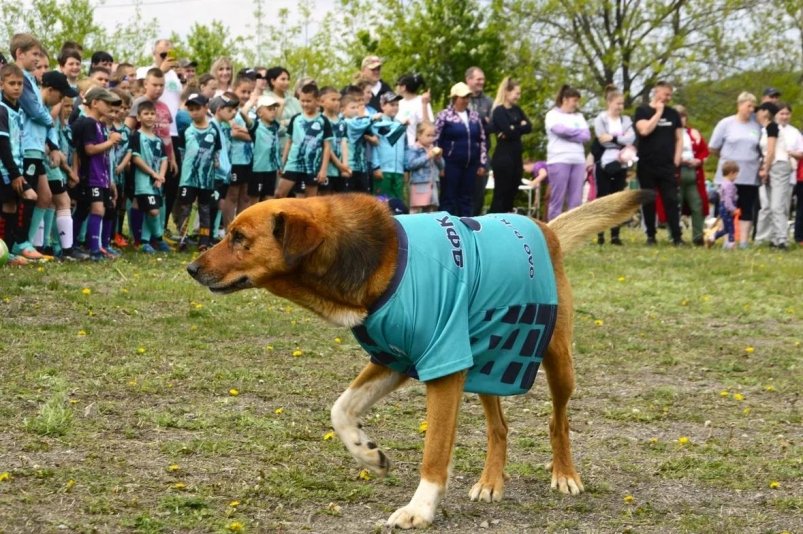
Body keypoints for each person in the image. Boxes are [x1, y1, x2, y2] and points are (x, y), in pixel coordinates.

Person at [71, 87, 123, 260]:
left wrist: (110, 179)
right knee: (96, 210)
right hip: (90, 175)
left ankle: (80, 245)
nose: (109, 107)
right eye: (106, 103)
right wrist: (111, 141)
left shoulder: (99, 124)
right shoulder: (87, 123)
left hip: (101, 176)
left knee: (85, 210)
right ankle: (93, 249)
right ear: (94, 103)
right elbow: (90, 149)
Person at [126, 68, 176, 236]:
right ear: (146, 84)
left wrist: (172, 158)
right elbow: (129, 130)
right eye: (154, 84)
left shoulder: (164, 106)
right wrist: (127, 157)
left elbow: (167, 136)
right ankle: (139, 235)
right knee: (140, 199)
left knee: (158, 197)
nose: (158, 89)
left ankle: (157, 234)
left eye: (161, 85)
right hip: (142, 157)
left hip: (160, 159)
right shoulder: (139, 103)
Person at [708, 92, 762, 248]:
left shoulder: (756, 125)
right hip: (729, 174)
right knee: (727, 207)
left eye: (753, 106)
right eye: (748, 106)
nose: (751, 109)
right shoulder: (726, 123)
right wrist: (728, 160)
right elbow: (713, 147)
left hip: (750, 173)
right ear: (740, 105)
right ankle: (728, 240)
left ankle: (744, 240)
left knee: (746, 207)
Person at [634, 80, 683, 245]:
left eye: (670, 95)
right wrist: (658, 113)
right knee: (649, 200)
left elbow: (679, 138)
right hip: (647, 164)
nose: (668, 98)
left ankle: (676, 236)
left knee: (671, 200)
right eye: (665, 94)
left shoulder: (673, 114)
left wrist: (676, 159)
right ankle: (651, 235)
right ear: (656, 92)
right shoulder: (642, 110)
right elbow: (645, 130)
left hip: (667, 165)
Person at [176, 93, 222, 251]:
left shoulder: (213, 129)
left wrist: (216, 164)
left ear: (206, 108)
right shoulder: (186, 130)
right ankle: (182, 238)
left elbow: (217, 150)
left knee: (204, 209)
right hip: (188, 178)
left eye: (197, 108)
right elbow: (181, 151)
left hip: (206, 178)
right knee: (185, 208)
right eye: (191, 109)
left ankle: (204, 240)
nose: (194, 112)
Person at [434, 82, 487, 216]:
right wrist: (439, 166)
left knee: (467, 198)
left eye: (467, 97)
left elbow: (481, 139)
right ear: (454, 98)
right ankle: (446, 229)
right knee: (448, 197)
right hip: (450, 163)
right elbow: (435, 140)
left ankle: (466, 228)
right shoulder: (444, 116)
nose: (465, 100)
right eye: (462, 97)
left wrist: (482, 163)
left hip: (471, 164)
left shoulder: (474, 116)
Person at [0, 63, 35, 266]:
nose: (16, 87)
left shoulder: (18, 109)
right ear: (1, 84)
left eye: (20, 83)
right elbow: (3, 145)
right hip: (5, 169)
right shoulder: (2, 109)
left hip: (15, 167)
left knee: (12, 206)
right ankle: (10, 249)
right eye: (11, 83)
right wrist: (14, 174)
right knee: (12, 204)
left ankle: (10, 249)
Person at [755, 102, 802, 250]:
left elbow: (771, 151)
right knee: (769, 203)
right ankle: (775, 237)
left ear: (765, 112)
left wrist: (765, 169)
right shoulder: (765, 129)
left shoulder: (772, 128)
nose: (757, 114)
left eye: (759, 111)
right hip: (770, 166)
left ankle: (782, 239)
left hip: (778, 165)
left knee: (777, 204)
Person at [593, 85, 636, 244]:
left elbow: (630, 139)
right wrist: (619, 139)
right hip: (604, 163)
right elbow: (601, 139)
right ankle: (600, 233)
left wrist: (613, 138)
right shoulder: (600, 119)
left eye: (622, 104)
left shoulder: (626, 121)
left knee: (618, 197)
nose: (620, 107)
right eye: (618, 103)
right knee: (603, 197)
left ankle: (615, 235)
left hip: (622, 163)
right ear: (609, 103)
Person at [276, 83, 332, 199]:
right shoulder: (296, 119)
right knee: (279, 194)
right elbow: (289, 141)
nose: (305, 104)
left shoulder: (323, 121)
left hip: (312, 166)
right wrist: (283, 162)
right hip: (293, 164)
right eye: (302, 101)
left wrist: (323, 169)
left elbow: (327, 146)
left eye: (308, 101)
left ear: (317, 100)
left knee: (309, 201)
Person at [129, 100, 170, 253]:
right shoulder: (136, 136)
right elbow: (136, 158)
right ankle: (158, 238)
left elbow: (164, 159)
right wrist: (153, 173)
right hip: (143, 182)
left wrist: (161, 176)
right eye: (146, 114)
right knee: (153, 211)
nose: (149, 117)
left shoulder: (158, 140)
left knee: (150, 210)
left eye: (152, 114)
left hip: (156, 183)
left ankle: (145, 241)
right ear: (138, 118)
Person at [545, 84, 590, 222]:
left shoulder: (579, 117)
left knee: (575, 199)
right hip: (559, 159)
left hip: (578, 160)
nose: (576, 104)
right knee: (558, 197)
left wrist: (569, 133)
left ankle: (573, 228)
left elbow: (586, 136)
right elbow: (558, 130)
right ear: (565, 99)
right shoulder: (552, 114)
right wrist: (576, 134)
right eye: (574, 100)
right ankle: (554, 227)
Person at [488, 77, 531, 214]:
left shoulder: (517, 110)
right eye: (516, 93)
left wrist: (514, 128)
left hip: (516, 157)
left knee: (513, 191)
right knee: (501, 192)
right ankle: (494, 220)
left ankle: (507, 219)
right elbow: (507, 130)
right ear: (507, 92)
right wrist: (518, 127)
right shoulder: (499, 111)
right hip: (503, 157)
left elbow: (529, 127)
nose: (518, 97)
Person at [676, 104, 709, 245]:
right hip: (676, 173)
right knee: (675, 205)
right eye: (677, 117)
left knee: (698, 204)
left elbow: (704, 151)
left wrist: (699, 160)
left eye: (683, 116)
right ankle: (675, 236)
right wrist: (678, 159)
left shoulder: (693, 133)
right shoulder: (667, 134)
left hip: (693, 173)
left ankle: (698, 236)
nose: (680, 120)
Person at [224, 73, 255, 221]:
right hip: (234, 159)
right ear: (235, 89)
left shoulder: (253, 112)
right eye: (243, 91)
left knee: (246, 195)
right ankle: (228, 226)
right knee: (232, 194)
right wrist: (250, 134)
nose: (246, 95)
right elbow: (234, 132)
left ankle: (241, 225)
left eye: (249, 92)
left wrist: (250, 133)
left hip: (250, 160)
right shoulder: (231, 111)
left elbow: (259, 133)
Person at [465, 66, 493, 215]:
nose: (482, 82)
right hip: (463, 156)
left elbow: (493, 126)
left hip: (482, 156)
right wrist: (483, 120)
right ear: (468, 80)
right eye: (478, 79)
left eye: (483, 79)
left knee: (478, 195)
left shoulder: (489, 101)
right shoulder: (461, 97)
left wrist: (479, 122)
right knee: (462, 195)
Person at [371, 92, 408, 201]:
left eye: (397, 105)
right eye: (392, 105)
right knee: (382, 203)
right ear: (383, 106)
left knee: (398, 204)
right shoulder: (378, 122)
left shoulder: (400, 125)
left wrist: (405, 168)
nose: (395, 107)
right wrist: (376, 166)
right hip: (383, 170)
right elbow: (374, 146)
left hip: (398, 171)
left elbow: (404, 147)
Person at [246, 94, 282, 202]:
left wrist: (279, 165)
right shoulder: (256, 126)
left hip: (271, 169)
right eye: (269, 109)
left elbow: (276, 147)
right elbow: (243, 113)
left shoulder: (275, 126)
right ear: (260, 112)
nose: (273, 111)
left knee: (269, 200)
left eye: (274, 109)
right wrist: (251, 102)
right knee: (255, 201)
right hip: (257, 169)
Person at [405, 122, 443, 213]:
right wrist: (427, 156)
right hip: (419, 184)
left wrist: (438, 159)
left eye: (433, 136)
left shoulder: (433, 148)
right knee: (416, 210)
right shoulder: (414, 148)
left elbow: (442, 166)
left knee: (431, 210)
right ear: (419, 135)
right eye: (428, 135)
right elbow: (410, 164)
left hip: (432, 184)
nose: (431, 138)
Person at [320, 86, 350, 194]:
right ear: (322, 102)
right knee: (325, 199)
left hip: (340, 171)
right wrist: (339, 165)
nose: (337, 103)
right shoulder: (320, 121)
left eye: (338, 100)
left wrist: (345, 165)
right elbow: (326, 146)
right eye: (333, 100)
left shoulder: (342, 122)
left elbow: (344, 143)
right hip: (326, 169)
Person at [264, 66, 301, 150]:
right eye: (283, 79)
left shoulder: (293, 100)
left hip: (295, 145)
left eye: (288, 79)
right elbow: (271, 125)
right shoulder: (266, 99)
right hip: (276, 145)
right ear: (272, 81)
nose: (287, 82)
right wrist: (289, 126)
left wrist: (285, 122)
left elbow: (301, 120)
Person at [706, 160, 740, 249]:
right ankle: (731, 244)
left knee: (726, 228)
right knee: (730, 227)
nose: (736, 176)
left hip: (722, 207)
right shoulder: (729, 185)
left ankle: (713, 237)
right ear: (731, 173)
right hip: (727, 208)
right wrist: (733, 209)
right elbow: (728, 199)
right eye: (736, 174)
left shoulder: (723, 183)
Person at [395, 73, 433, 146]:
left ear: (403, 87)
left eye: (397, 84)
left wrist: (424, 104)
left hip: (414, 148)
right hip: (398, 147)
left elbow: (428, 125)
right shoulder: (398, 103)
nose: (396, 87)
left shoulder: (422, 101)